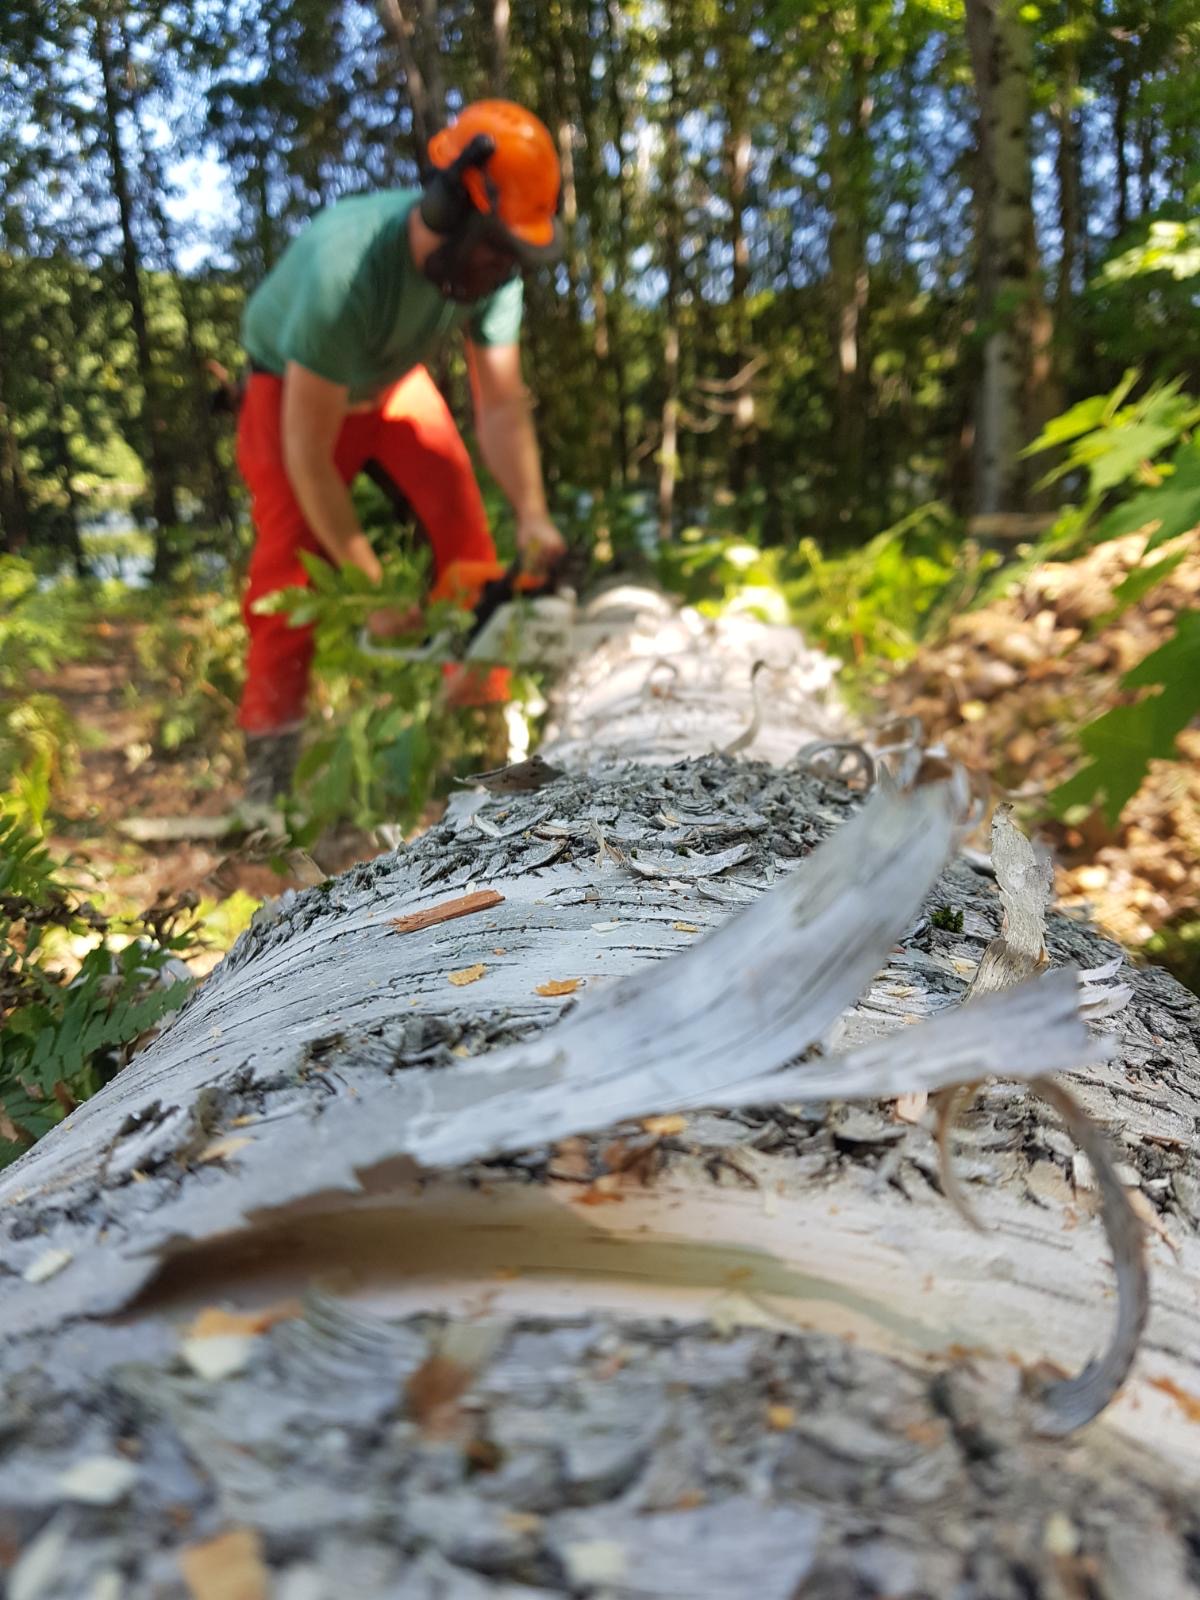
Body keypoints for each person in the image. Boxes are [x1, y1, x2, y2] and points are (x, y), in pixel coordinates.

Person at [233, 99, 568, 804]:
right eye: (495, 249)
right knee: (286, 579)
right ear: (449, 210)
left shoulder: (490, 275)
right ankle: (267, 781)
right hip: (294, 388)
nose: (502, 270)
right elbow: (308, 458)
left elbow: (502, 403)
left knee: (466, 533)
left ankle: (480, 736)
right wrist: (372, 583)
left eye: (515, 254)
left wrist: (533, 515)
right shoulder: (345, 268)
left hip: (388, 381)